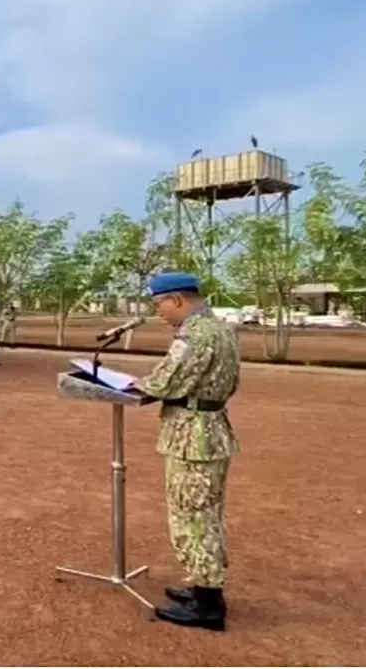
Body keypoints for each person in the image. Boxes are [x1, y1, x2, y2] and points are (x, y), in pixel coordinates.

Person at [134, 271, 240, 632]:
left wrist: (136, 385)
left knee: (193, 518)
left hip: (193, 436)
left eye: (159, 304)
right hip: (210, 429)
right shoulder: (219, 327)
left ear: (176, 299)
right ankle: (202, 589)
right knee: (204, 513)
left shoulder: (194, 334)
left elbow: (165, 382)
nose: (159, 312)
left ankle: (208, 605)